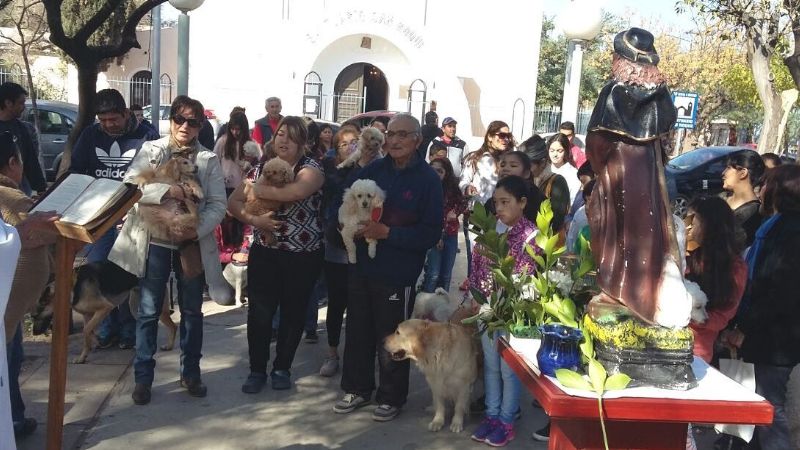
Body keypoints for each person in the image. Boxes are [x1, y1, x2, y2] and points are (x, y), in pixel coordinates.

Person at [108, 95, 229, 405]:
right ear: (171, 119)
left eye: (193, 121)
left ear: (201, 125)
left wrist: (194, 229)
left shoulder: (208, 159)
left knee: (192, 312)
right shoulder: (152, 150)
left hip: (190, 243)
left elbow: (218, 204)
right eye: (180, 119)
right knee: (148, 311)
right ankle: (143, 378)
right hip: (154, 241)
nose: (185, 126)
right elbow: (132, 186)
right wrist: (169, 190)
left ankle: (191, 373)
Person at [332, 113, 442, 422]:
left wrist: (389, 233)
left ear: (417, 140)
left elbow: (431, 232)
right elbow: (344, 204)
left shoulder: (428, 180)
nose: (393, 140)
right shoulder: (374, 170)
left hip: (398, 272)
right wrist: (345, 226)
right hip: (363, 266)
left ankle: (391, 396)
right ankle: (356, 388)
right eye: (390, 134)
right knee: (357, 328)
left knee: (393, 334)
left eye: (402, 135)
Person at [228, 116, 325, 394]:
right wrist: (254, 220)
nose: (284, 140)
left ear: (303, 143)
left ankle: (282, 367)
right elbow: (233, 202)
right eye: (281, 134)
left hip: (302, 254)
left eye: (292, 137)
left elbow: (295, 192)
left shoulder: (312, 168)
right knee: (259, 312)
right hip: (266, 251)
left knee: (293, 313)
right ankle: (257, 369)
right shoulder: (260, 167)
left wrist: (253, 188)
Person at [71, 88, 160, 349]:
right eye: (103, 120)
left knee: (124, 274)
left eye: (114, 119)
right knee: (97, 271)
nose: (108, 125)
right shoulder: (90, 135)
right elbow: (76, 169)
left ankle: (128, 331)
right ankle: (105, 329)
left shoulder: (146, 134)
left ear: (126, 114)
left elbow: (155, 173)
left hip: (131, 216)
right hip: (98, 215)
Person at [725, 165, 800, 450]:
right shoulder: (774, 226)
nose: (762, 190)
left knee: (769, 408)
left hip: (776, 337)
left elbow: (780, 291)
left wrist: (745, 327)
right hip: (768, 333)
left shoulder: (788, 232)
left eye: (768, 184)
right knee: (757, 406)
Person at [469, 175, 537, 447]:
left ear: (522, 203)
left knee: (509, 369)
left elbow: (524, 272)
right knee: (491, 367)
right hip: (486, 310)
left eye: (505, 202)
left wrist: (502, 300)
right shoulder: (489, 230)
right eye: (496, 202)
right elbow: (476, 267)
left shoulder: (531, 234)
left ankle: (507, 420)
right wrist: (476, 296)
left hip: (512, 313)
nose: (499, 208)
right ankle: (492, 415)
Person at [0, 131, 58, 442]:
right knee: (7, 362)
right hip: (5, 309)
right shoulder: (10, 197)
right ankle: (12, 419)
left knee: (12, 356)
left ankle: (14, 417)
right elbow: (44, 230)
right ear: (12, 163)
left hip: (10, 308)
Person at [317, 126, 377, 377]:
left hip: (367, 245)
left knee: (362, 305)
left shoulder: (377, 168)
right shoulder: (334, 171)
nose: (352, 146)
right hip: (338, 245)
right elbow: (338, 192)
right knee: (337, 301)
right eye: (345, 144)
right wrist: (358, 165)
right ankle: (332, 353)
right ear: (336, 148)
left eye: (356, 141)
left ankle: (357, 355)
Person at [685, 196, 747, 364]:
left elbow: (722, 316)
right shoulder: (686, 255)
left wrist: (690, 317)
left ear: (711, 226)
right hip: (664, 342)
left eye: (694, 220)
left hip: (697, 353)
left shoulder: (734, 267)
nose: (688, 226)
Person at [458, 121, 513, 289]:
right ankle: (475, 294)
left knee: (498, 259)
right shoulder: (475, 158)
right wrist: (467, 189)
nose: (505, 139)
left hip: (503, 217)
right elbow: (463, 182)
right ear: (490, 136)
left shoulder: (510, 160)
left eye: (508, 136)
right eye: (501, 136)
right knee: (477, 258)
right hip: (479, 216)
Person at [421, 157, 466, 293]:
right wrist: (436, 237)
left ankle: (441, 309)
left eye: (439, 171)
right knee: (433, 274)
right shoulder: (424, 189)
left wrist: (455, 213)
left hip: (450, 235)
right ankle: (426, 308)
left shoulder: (452, 189)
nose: (435, 174)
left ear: (446, 173)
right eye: (432, 170)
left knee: (446, 275)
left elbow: (462, 203)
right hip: (433, 236)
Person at [0, 82, 45, 196]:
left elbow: (31, 161)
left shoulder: (22, 129)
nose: (24, 107)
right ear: (8, 103)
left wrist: (41, 189)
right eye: (21, 103)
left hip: (19, 189)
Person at [520, 135, 570, 236]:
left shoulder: (558, 183)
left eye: (528, 166)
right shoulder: (523, 180)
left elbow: (555, 223)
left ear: (542, 163)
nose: (524, 170)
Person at [213, 111, 261, 196]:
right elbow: (214, 161)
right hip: (225, 186)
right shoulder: (223, 141)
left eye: (238, 129)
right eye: (232, 129)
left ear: (244, 128)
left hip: (244, 187)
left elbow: (258, 166)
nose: (235, 132)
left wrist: (251, 164)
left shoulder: (252, 144)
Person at [722, 150, 764, 248]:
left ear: (743, 173)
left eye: (728, 168)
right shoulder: (722, 197)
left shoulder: (754, 214)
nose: (723, 173)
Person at [547, 133, 581, 205]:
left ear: (566, 151)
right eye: (552, 150)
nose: (555, 154)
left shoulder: (573, 174)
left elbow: (572, 201)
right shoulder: (544, 169)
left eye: (559, 151)